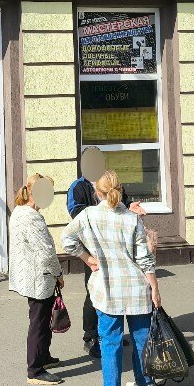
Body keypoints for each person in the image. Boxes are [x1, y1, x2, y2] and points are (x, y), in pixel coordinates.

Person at [62, 170, 162, 386]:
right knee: (141, 338)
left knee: (110, 342)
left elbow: (67, 240)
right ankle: (144, 384)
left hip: (107, 289)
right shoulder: (131, 218)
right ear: (120, 190)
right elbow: (145, 258)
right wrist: (155, 288)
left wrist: (88, 259)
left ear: (97, 192)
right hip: (137, 287)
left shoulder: (88, 215)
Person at [66, 147, 142, 358]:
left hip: (117, 246)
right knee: (94, 291)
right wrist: (101, 214)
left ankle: (113, 333)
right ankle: (91, 335)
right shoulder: (78, 186)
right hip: (93, 249)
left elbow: (122, 203)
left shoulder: (109, 182)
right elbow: (74, 212)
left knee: (116, 288)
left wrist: (131, 206)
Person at [7, 173, 64, 386]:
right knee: (38, 323)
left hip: (30, 275)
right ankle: (35, 370)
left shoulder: (20, 211)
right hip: (38, 278)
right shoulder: (31, 217)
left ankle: (43, 356)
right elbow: (46, 252)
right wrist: (59, 274)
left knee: (43, 318)